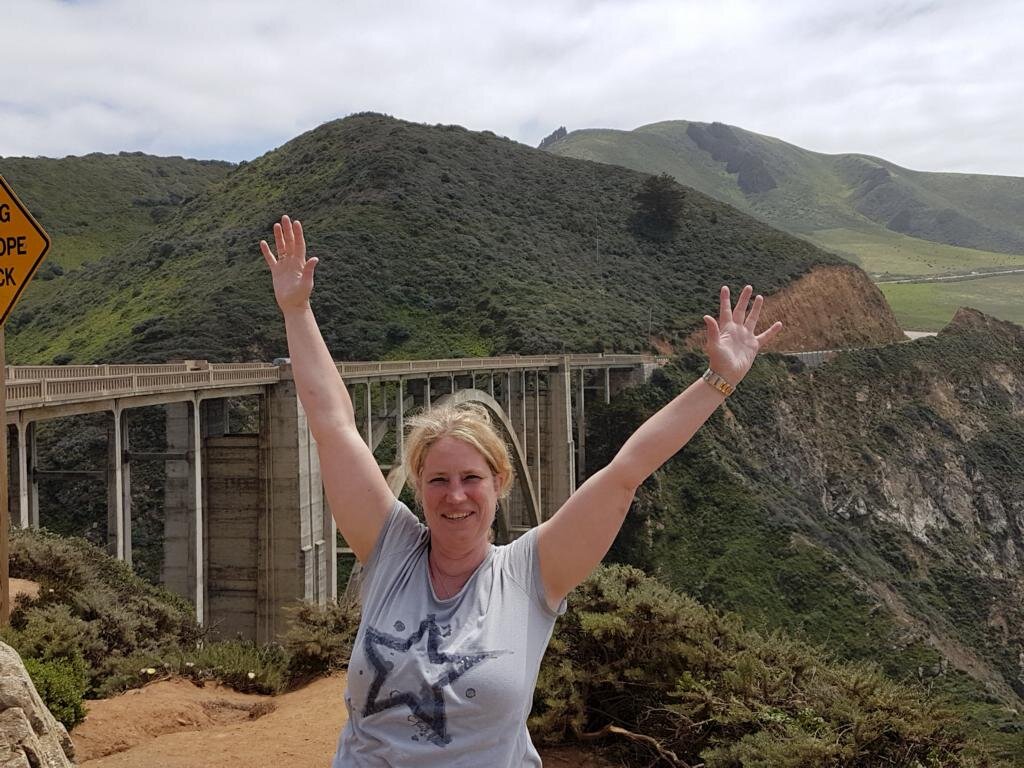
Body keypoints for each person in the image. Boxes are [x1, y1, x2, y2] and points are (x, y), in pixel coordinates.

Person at [260, 215, 782, 767]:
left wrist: (717, 382)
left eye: (471, 479)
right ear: (418, 487)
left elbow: (627, 471)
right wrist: (297, 310)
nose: (455, 496)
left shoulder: (533, 572)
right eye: (438, 480)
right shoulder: (390, 550)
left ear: (499, 482)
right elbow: (333, 424)